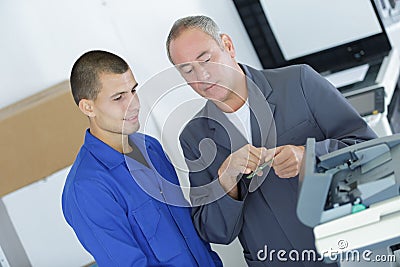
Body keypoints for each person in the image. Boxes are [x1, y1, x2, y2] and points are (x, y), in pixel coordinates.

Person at [165, 15, 377, 267]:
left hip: (348, 250)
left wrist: (309, 156)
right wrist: (225, 182)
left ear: (228, 46)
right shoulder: (193, 137)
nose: (202, 75)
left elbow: (370, 150)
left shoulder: (299, 81)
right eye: (187, 70)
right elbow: (215, 232)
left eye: (206, 59)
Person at [61, 50, 222, 267]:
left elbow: (192, 234)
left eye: (133, 90)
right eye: (119, 97)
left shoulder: (150, 147)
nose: (134, 104)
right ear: (88, 107)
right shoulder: (87, 189)